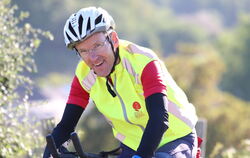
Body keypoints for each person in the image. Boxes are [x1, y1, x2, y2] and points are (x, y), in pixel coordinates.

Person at [43, 6, 199, 158]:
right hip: (133, 145)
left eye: (97, 45)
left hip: (175, 139)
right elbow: (66, 126)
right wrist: (50, 151)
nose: (92, 57)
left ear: (113, 39)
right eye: (83, 51)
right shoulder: (84, 75)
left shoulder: (143, 62)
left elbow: (159, 118)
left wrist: (140, 156)